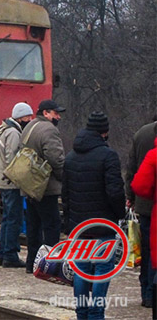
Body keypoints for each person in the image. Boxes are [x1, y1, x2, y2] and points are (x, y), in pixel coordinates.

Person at [63, 112, 125, 320]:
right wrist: (120, 215)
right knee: (102, 268)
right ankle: (96, 314)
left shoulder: (71, 156)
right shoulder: (109, 156)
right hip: (103, 225)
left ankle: (82, 313)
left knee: (81, 268)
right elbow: (115, 192)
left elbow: (66, 194)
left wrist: (68, 223)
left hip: (79, 226)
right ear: (104, 132)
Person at [21, 99, 65, 273]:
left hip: (29, 184)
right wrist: (64, 177)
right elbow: (55, 158)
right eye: (56, 113)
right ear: (46, 113)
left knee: (33, 226)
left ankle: (31, 262)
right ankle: (50, 265)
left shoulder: (30, 126)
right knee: (52, 225)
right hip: (45, 186)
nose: (58, 116)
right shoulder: (49, 129)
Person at [0, 102, 34, 267]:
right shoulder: (13, 133)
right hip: (11, 182)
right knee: (14, 219)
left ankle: (2, 253)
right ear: (20, 117)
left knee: (7, 218)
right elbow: (12, 158)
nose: (29, 119)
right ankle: (10, 254)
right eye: (27, 116)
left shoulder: (6, 130)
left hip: (4, 180)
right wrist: (19, 176)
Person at [125, 118, 156, 308]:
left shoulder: (141, 133)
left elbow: (131, 169)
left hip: (145, 205)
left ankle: (146, 293)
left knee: (146, 249)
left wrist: (130, 197)